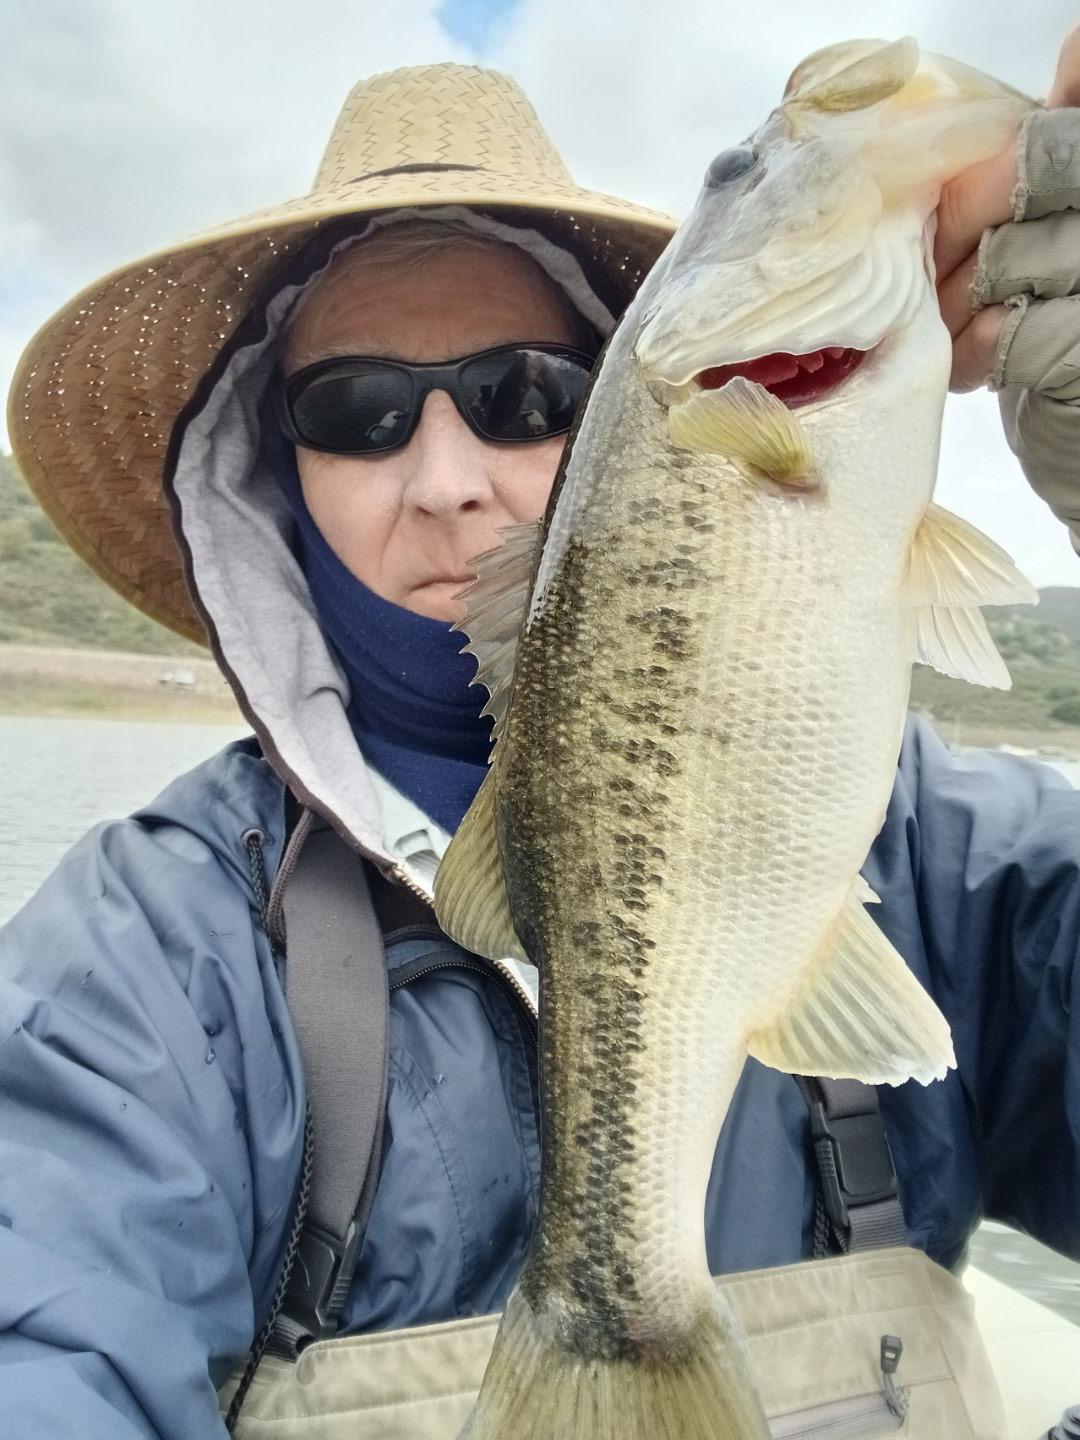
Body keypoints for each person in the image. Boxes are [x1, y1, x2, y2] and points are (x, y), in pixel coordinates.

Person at [2, 44, 1080, 1440]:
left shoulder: (943, 855)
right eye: (358, 412)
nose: (448, 481)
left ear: (615, 413)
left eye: (525, 394)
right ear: (273, 468)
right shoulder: (144, 958)